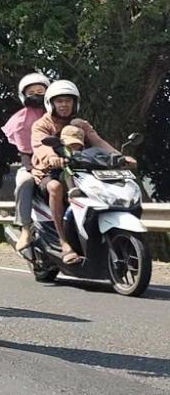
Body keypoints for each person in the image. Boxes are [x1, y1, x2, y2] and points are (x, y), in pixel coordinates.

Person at [30, 80, 135, 264]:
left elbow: (98, 142)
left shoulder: (80, 124)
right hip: (48, 172)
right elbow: (40, 147)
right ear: (51, 103)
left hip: (78, 170)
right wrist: (52, 158)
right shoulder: (42, 125)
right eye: (59, 101)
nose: (64, 105)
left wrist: (120, 157)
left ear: (75, 103)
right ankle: (64, 243)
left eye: (68, 101)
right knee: (55, 187)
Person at [1, 73, 50, 257]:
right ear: (24, 95)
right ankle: (25, 230)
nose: (37, 95)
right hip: (32, 164)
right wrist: (33, 170)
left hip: (59, 163)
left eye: (40, 91)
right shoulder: (20, 121)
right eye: (32, 92)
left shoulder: (57, 112)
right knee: (25, 182)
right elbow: (25, 153)